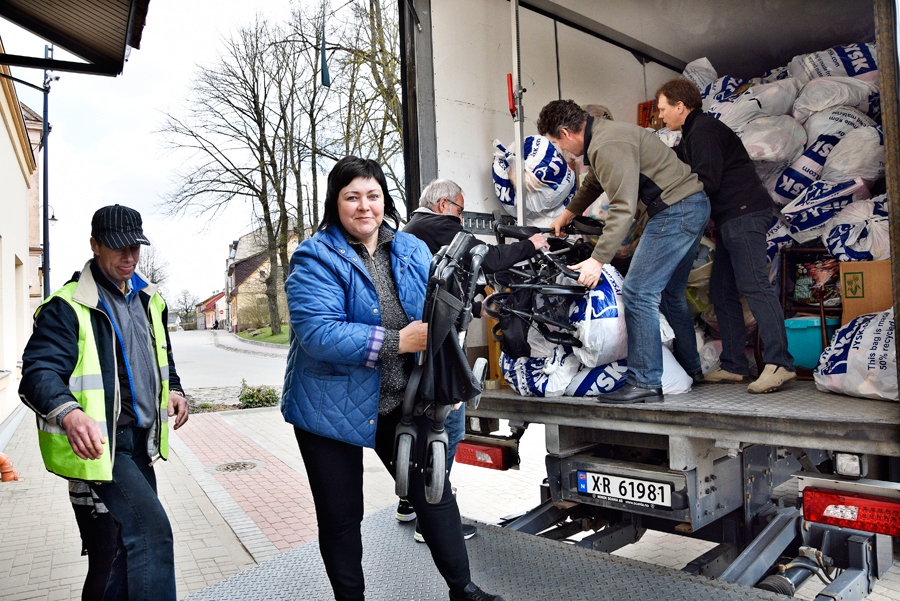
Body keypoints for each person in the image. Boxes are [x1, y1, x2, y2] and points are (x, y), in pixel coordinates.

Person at [282, 157, 504, 601]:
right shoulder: (314, 256)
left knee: (434, 491)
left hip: (403, 398)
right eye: (352, 196)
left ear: (385, 200)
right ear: (336, 202)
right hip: (330, 407)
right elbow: (318, 334)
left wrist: (451, 379)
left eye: (373, 196)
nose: (364, 206)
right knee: (342, 515)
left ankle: (463, 590)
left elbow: (438, 318)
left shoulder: (410, 249)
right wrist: (397, 341)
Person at [19, 204, 189, 601]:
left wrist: (176, 390)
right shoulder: (67, 306)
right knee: (152, 535)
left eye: (135, 247)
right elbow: (37, 372)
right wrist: (69, 412)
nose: (129, 257)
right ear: (95, 245)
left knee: (125, 553)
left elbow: (162, 356)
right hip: (105, 446)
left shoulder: (150, 300)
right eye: (118, 248)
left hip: (141, 443)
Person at [400, 178, 549, 541]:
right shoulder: (440, 226)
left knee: (422, 425)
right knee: (448, 426)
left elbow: (442, 286)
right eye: (459, 209)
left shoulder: (411, 231)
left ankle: (409, 503)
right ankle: (432, 520)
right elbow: (491, 259)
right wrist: (533, 244)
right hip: (439, 350)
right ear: (442, 206)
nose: (461, 218)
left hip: (416, 345)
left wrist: (480, 306)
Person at [537, 99, 710, 404]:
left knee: (638, 292)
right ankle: (692, 368)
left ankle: (645, 381)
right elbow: (594, 182)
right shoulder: (603, 135)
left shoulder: (607, 145)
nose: (561, 150)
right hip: (690, 205)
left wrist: (597, 260)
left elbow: (622, 208)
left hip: (675, 211)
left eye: (556, 143)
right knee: (670, 293)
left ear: (565, 133)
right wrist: (568, 214)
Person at [655, 78, 796, 393]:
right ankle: (734, 365)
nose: (661, 117)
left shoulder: (703, 131)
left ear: (681, 106)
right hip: (733, 217)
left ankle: (780, 363)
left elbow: (706, 179)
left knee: (755, 285)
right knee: (721, 291)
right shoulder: (692, 134)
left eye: (664, 110)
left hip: (743, 214)